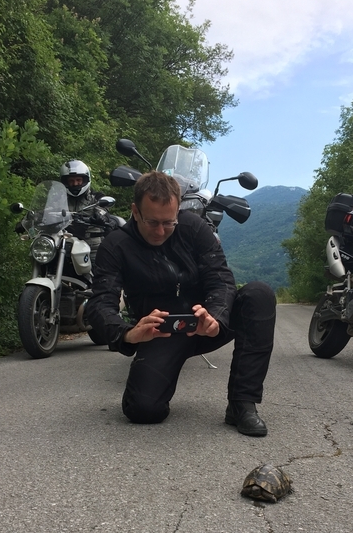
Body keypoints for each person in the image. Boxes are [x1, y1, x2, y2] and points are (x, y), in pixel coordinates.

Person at [86, 170, 276, 436]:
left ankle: (242, 403)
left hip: (206, 324)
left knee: (259, 294)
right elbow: (100, 304)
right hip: (162, 333)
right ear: (135, 211)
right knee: (142, 410)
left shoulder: (194, 228)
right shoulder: (116, 245)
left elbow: (221, 279)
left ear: (178, 211)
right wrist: (127, 333)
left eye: (169, 222)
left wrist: (216, 317)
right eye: (152, 222)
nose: (160, 231)